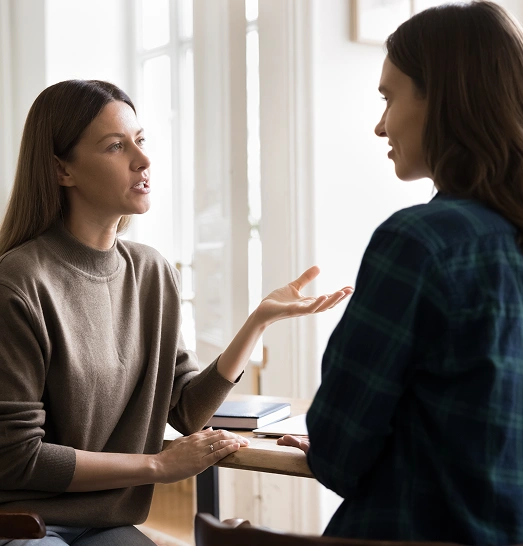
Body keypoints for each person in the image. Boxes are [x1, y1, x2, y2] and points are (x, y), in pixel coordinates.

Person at [0, 79, 352, 545]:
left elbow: (185, 410)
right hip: (24, 523)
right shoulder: (20, 282)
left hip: (106, 523)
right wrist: (159, 466)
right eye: (115, 146)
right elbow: (16, 456)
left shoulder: (152, 271)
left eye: (140, 140)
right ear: (63, 170)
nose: (142, 160)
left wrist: (257, 322)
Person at [278, 1, 523, 544]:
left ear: (444, 97)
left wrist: (330, 442)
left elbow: (338, 451)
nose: (379, 124)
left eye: (389, 97)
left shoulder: (419, 242)